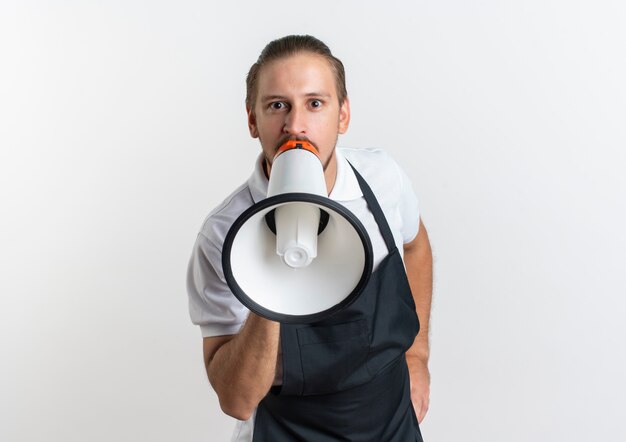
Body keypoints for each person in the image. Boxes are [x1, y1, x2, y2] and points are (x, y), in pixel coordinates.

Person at [187, 35, 433, 441]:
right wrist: (271, 283)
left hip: (391, 423)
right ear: (253, 120)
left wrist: (417, 355)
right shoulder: (221, 234)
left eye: (315, 103)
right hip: (289, 430)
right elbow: (236, 400)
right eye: (277, 105)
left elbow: (415, 245)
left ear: (343, 115)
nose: (295, 124)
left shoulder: (383, 179)